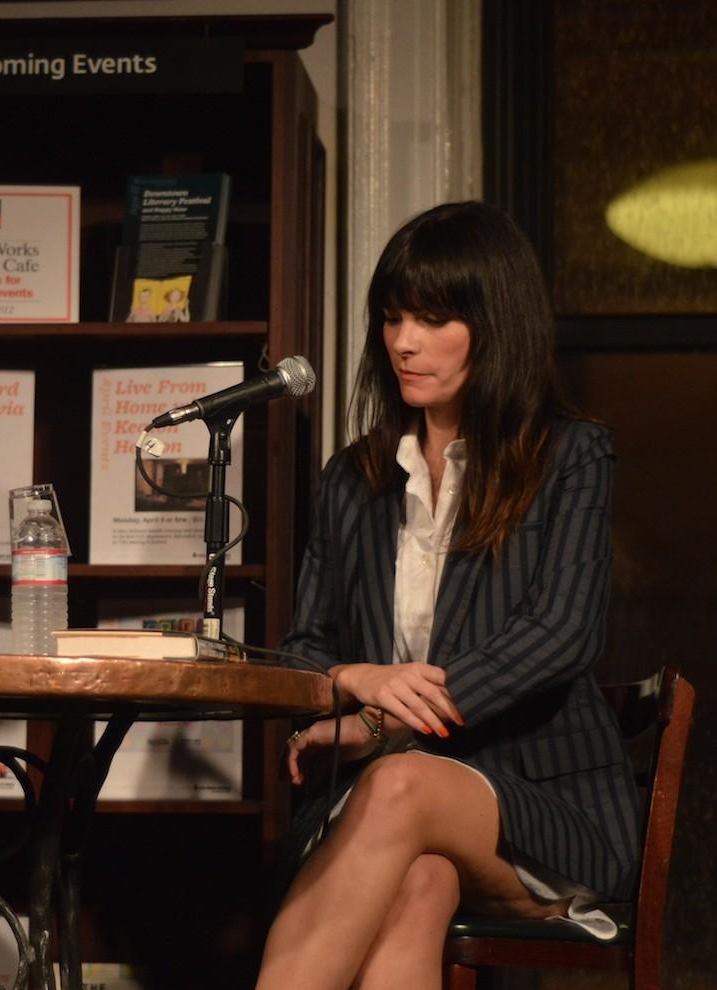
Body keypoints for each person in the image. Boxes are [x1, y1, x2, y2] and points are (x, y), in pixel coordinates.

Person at [255, 202, 640, 990]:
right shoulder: (352, 478)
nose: (403, 341)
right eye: (393, 317)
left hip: (538, 806)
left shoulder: (570, 456)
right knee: (417, 880)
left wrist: (388, 722)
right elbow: (303, 652)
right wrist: (357, 684)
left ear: (494, 324)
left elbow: (558, 634)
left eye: (432, 319)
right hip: (386, 814)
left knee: (399, 781)